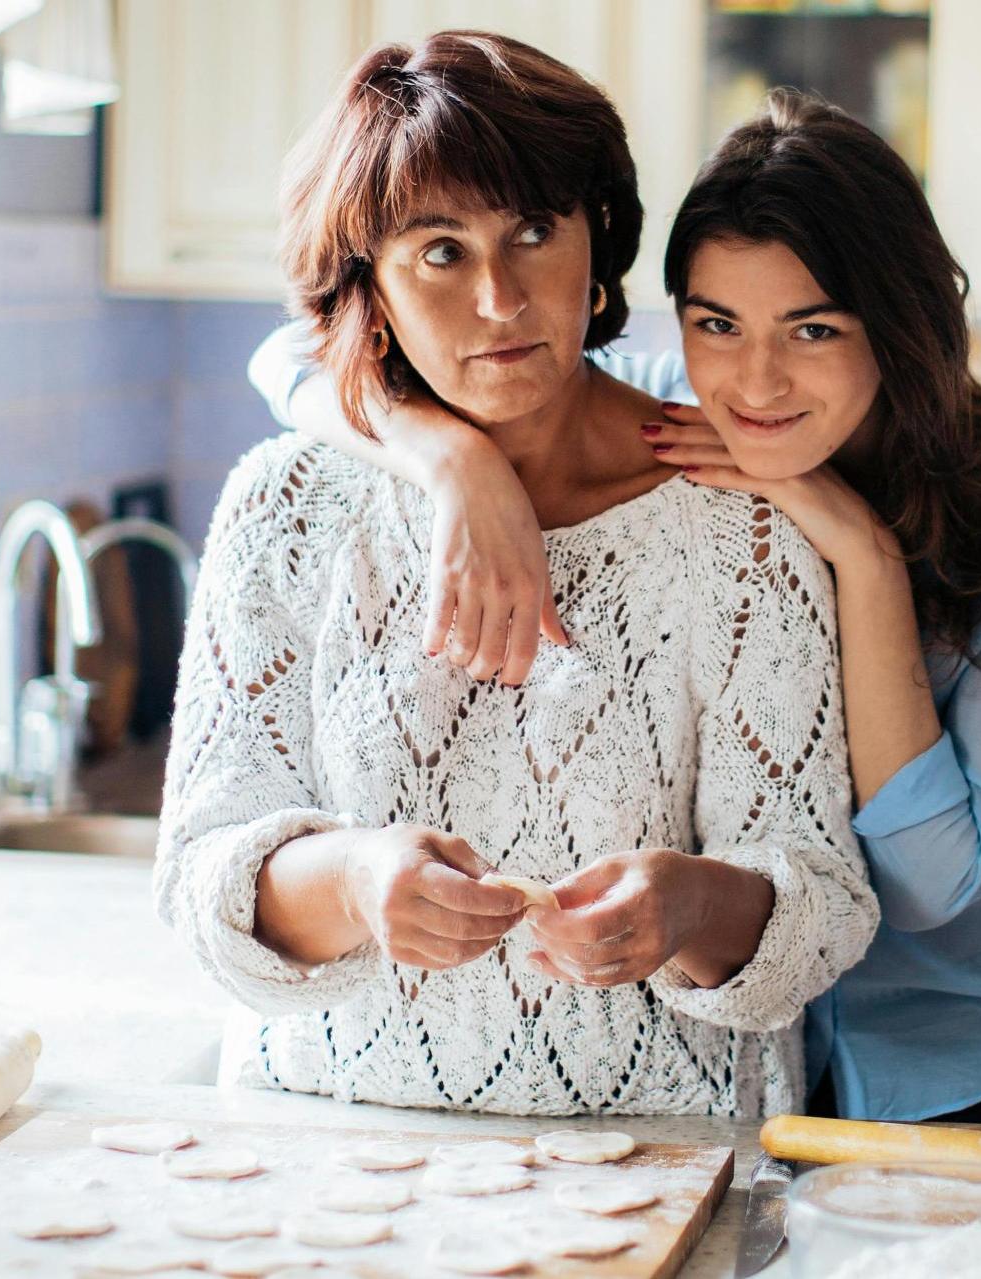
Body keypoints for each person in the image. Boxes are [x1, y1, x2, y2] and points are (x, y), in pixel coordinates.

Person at [251, 87, 981, 1125]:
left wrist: (855, 546)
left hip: (975, 1060)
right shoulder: (676, 406)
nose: (755, 381)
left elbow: (931, 882)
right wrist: (452, 462)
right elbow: (292, 359)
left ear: (896, 328)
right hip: (756, 1076)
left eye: (812, 328)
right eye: (716, 321)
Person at [154, 34, 878, 1119]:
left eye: (533, 233)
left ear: (597, 249)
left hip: (663, 1160)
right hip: (321, 1158)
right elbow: (200, 879)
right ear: (372, 290)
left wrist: (691, 907)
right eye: (438, 252)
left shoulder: (742, 520)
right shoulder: (285, 506)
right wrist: (354, 879)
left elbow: (820, 904)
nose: (499, 297)